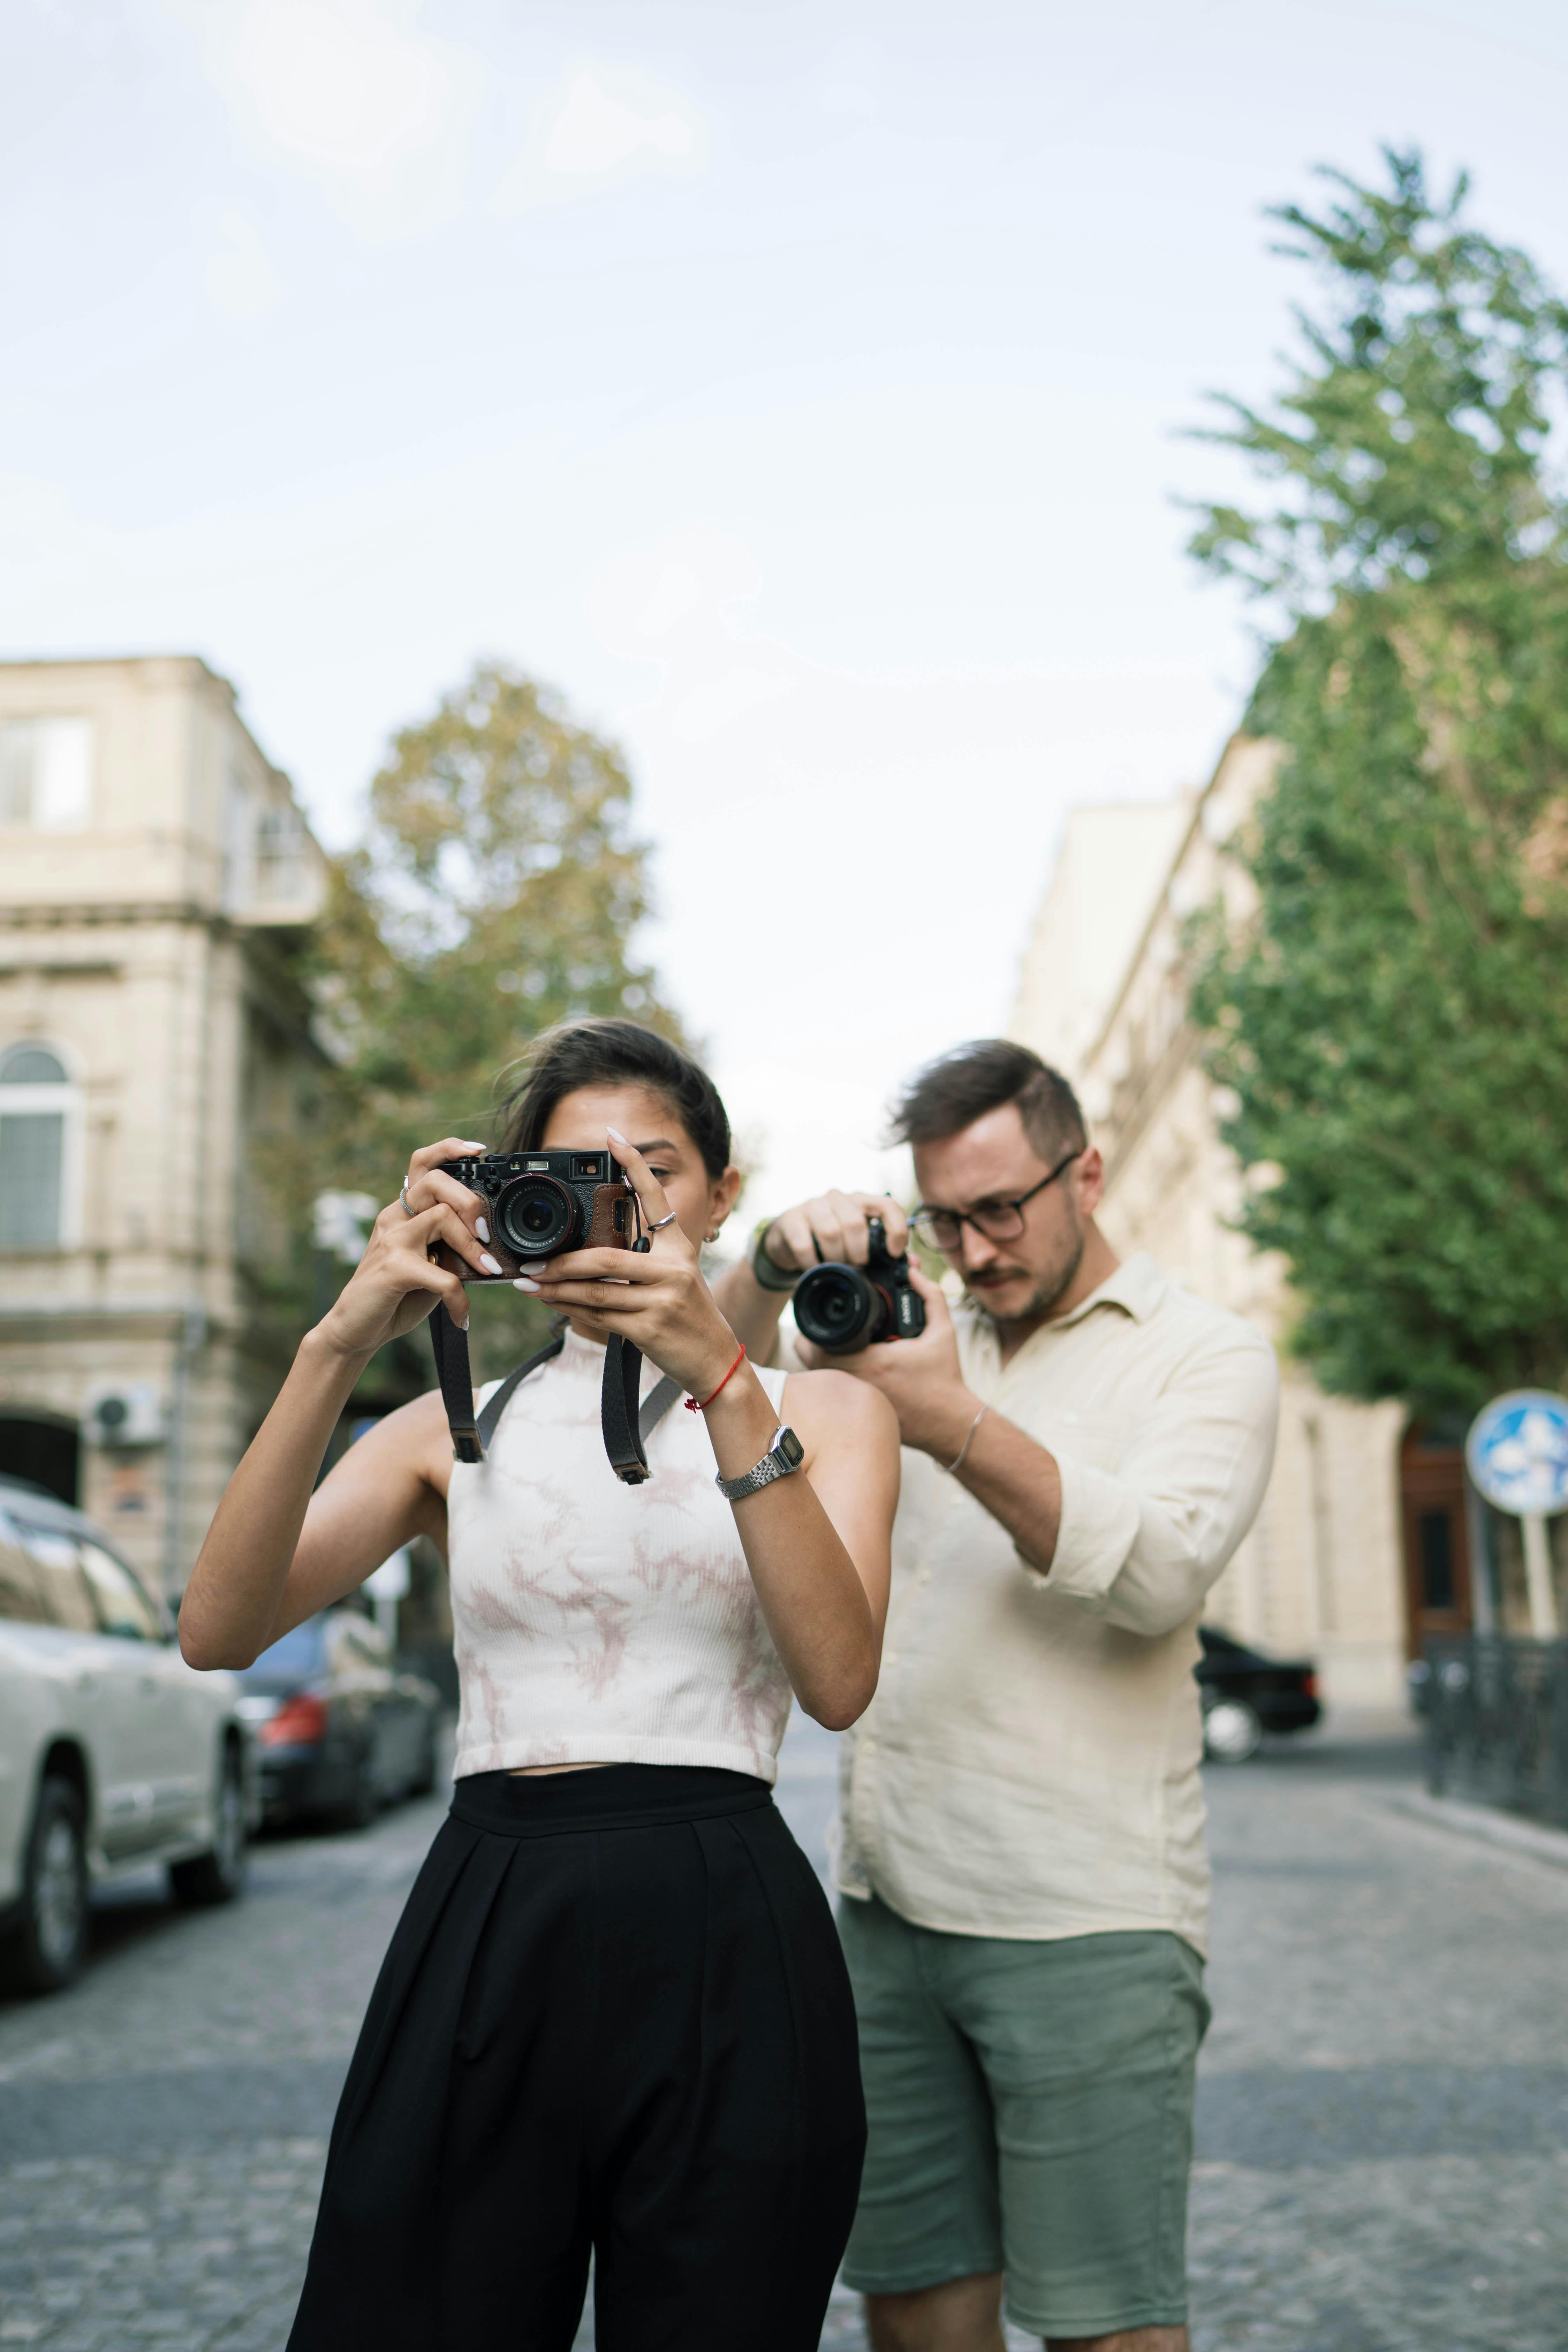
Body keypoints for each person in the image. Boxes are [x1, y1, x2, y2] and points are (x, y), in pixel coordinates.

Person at [178, 1018, 900, 2352]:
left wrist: (723, 1375)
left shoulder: (832, 1413)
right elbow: (218, 1629)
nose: (620, 1201)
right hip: (491, 1907)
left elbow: (840, 1679)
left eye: (657, 1169)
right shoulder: (446, 1428)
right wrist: (342, 1337)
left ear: (721, 1195)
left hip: (724, 1919)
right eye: (578, 1171)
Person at [714, 1038, 1281, 2352]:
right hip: (889, 1905)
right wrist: (766, 1267)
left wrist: (949, 1420)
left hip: (1087, 1915)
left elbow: (1156, 1570)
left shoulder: (1206, 1355)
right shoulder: (905, 1327)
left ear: (1085, 1173)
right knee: (912, 2308)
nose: (972, 1250)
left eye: (1000, 1209)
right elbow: (704, 1395)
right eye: (941, 1218)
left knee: (1105, 2328)